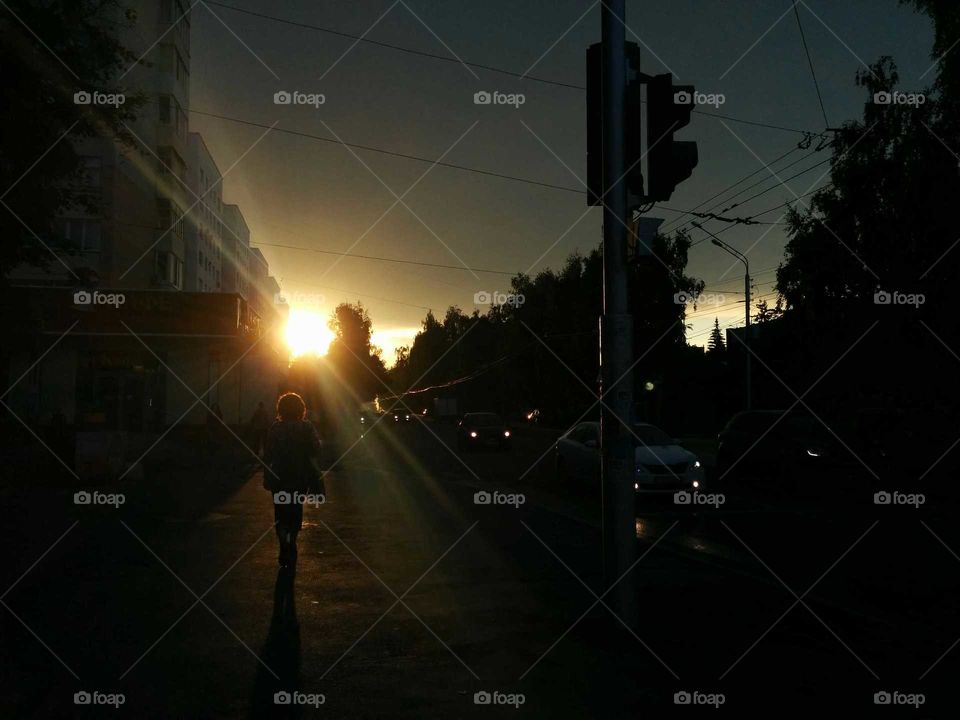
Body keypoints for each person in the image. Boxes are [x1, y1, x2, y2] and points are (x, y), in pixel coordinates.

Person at [263, 392, 323, 569]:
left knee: (280, 514)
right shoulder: (306, 428)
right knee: (295, 511)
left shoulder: (275, 428)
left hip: (279, 478)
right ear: (301, 409)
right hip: (299, 477)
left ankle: (284, 545)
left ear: (280, 409)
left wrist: (267, 476)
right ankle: (292, 542)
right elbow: (316, 450)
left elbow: (268, 455)